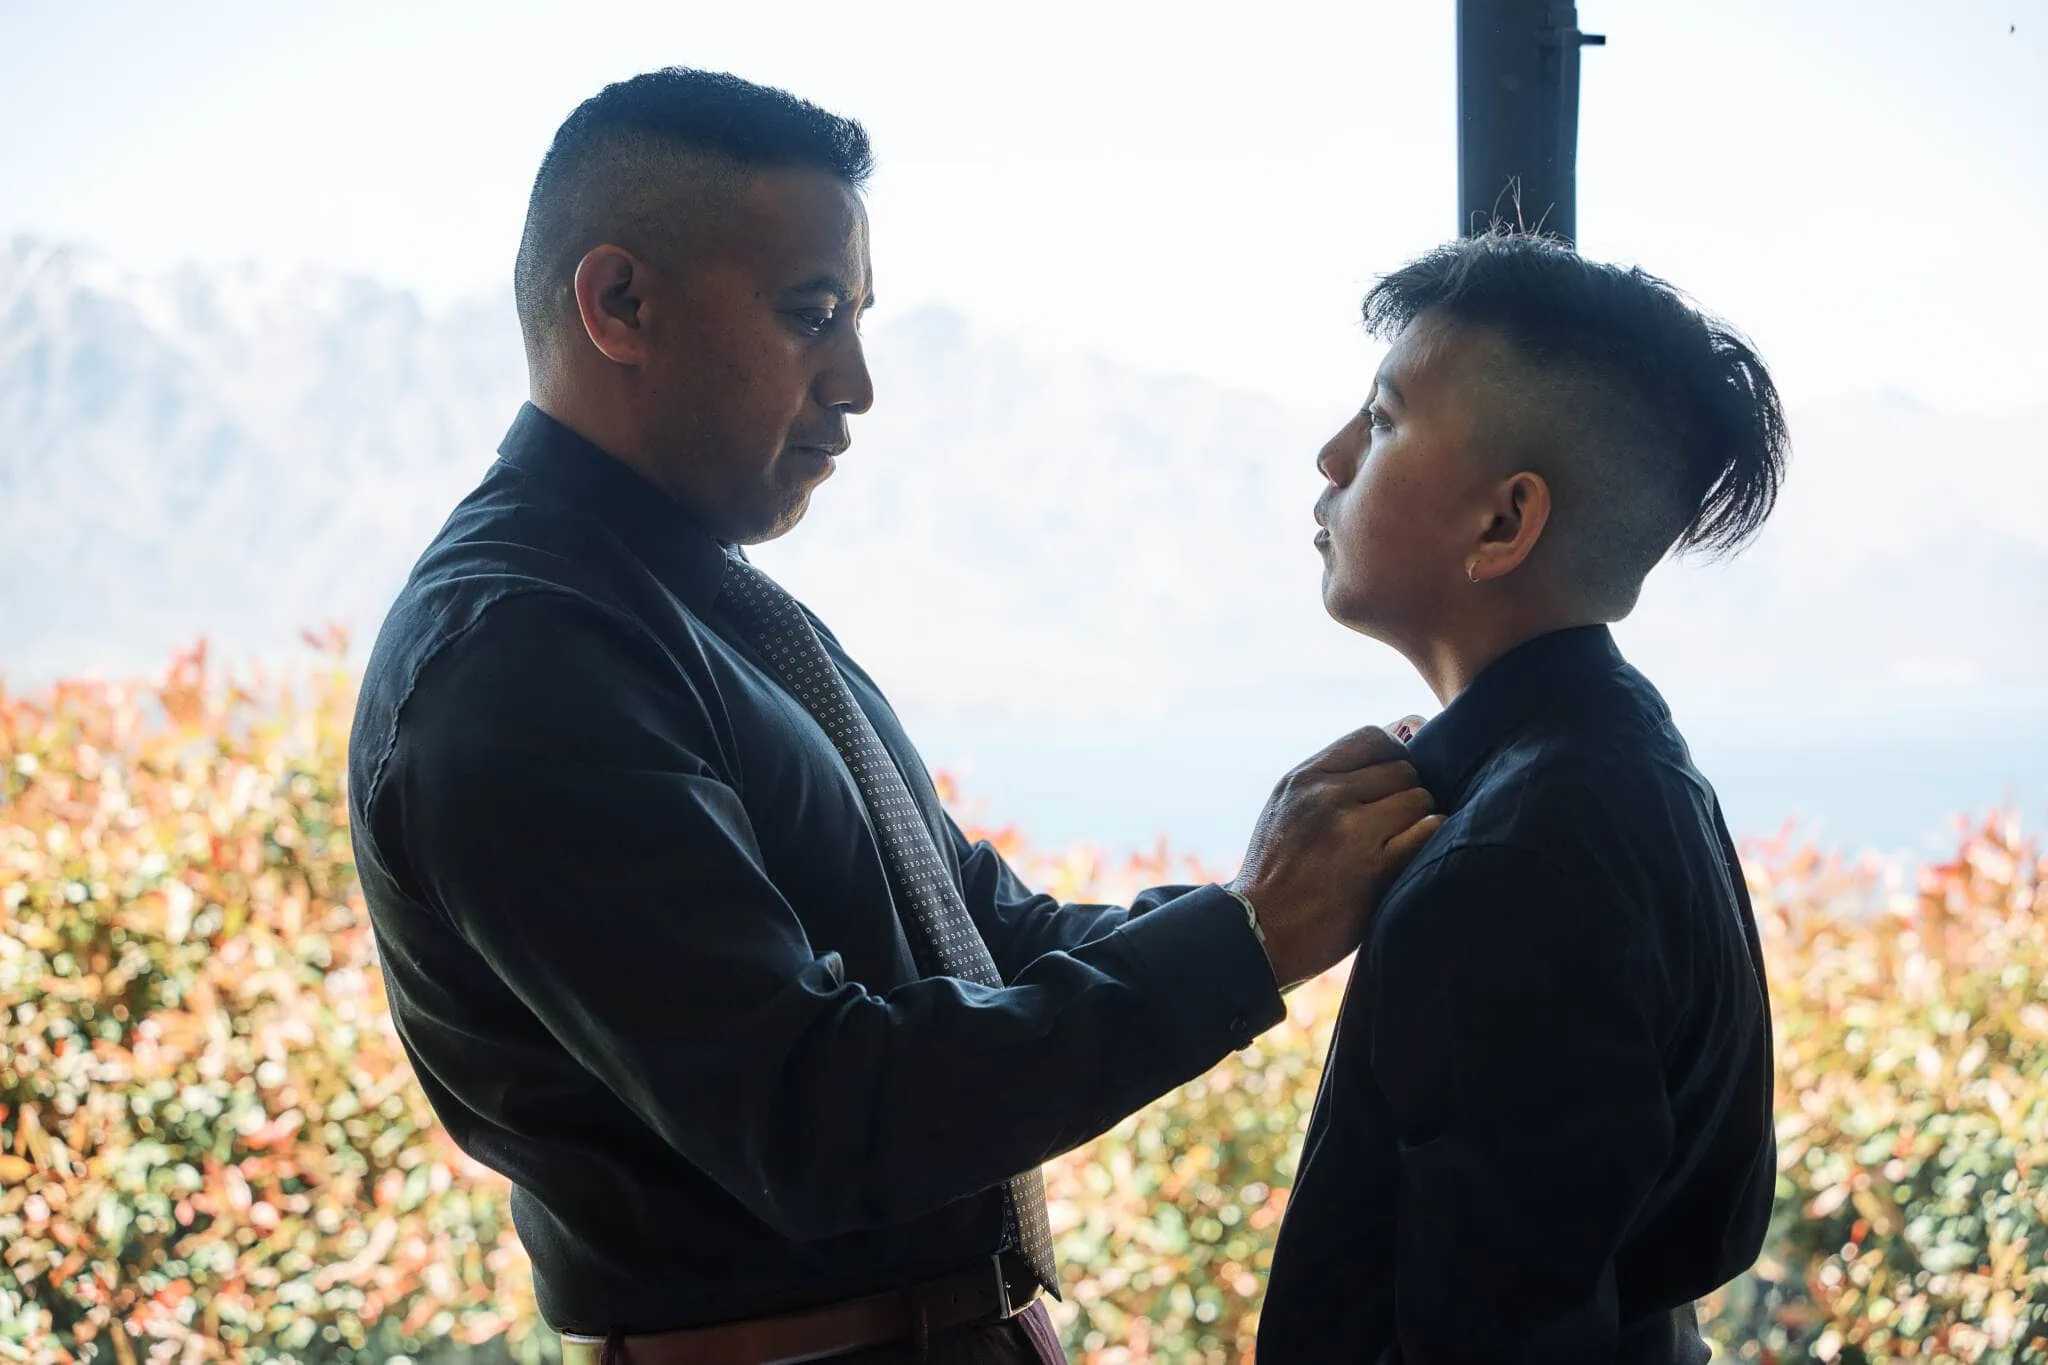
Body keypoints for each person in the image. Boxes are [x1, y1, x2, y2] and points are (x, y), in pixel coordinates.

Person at [347, 68, 1441, 1365]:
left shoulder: (707, 614)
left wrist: (1290, 893)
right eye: (811, 316)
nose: (857, 384)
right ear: (619, 302)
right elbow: (819, 1121)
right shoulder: (523, 663)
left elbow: (987, 940)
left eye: (857, 319)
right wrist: (1249, 938)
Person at [1255, 230, 1784, 1363]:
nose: (1330, 455)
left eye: (1384, 419)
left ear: (1503, 523)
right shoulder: (1611, 766)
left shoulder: (1513, 865)